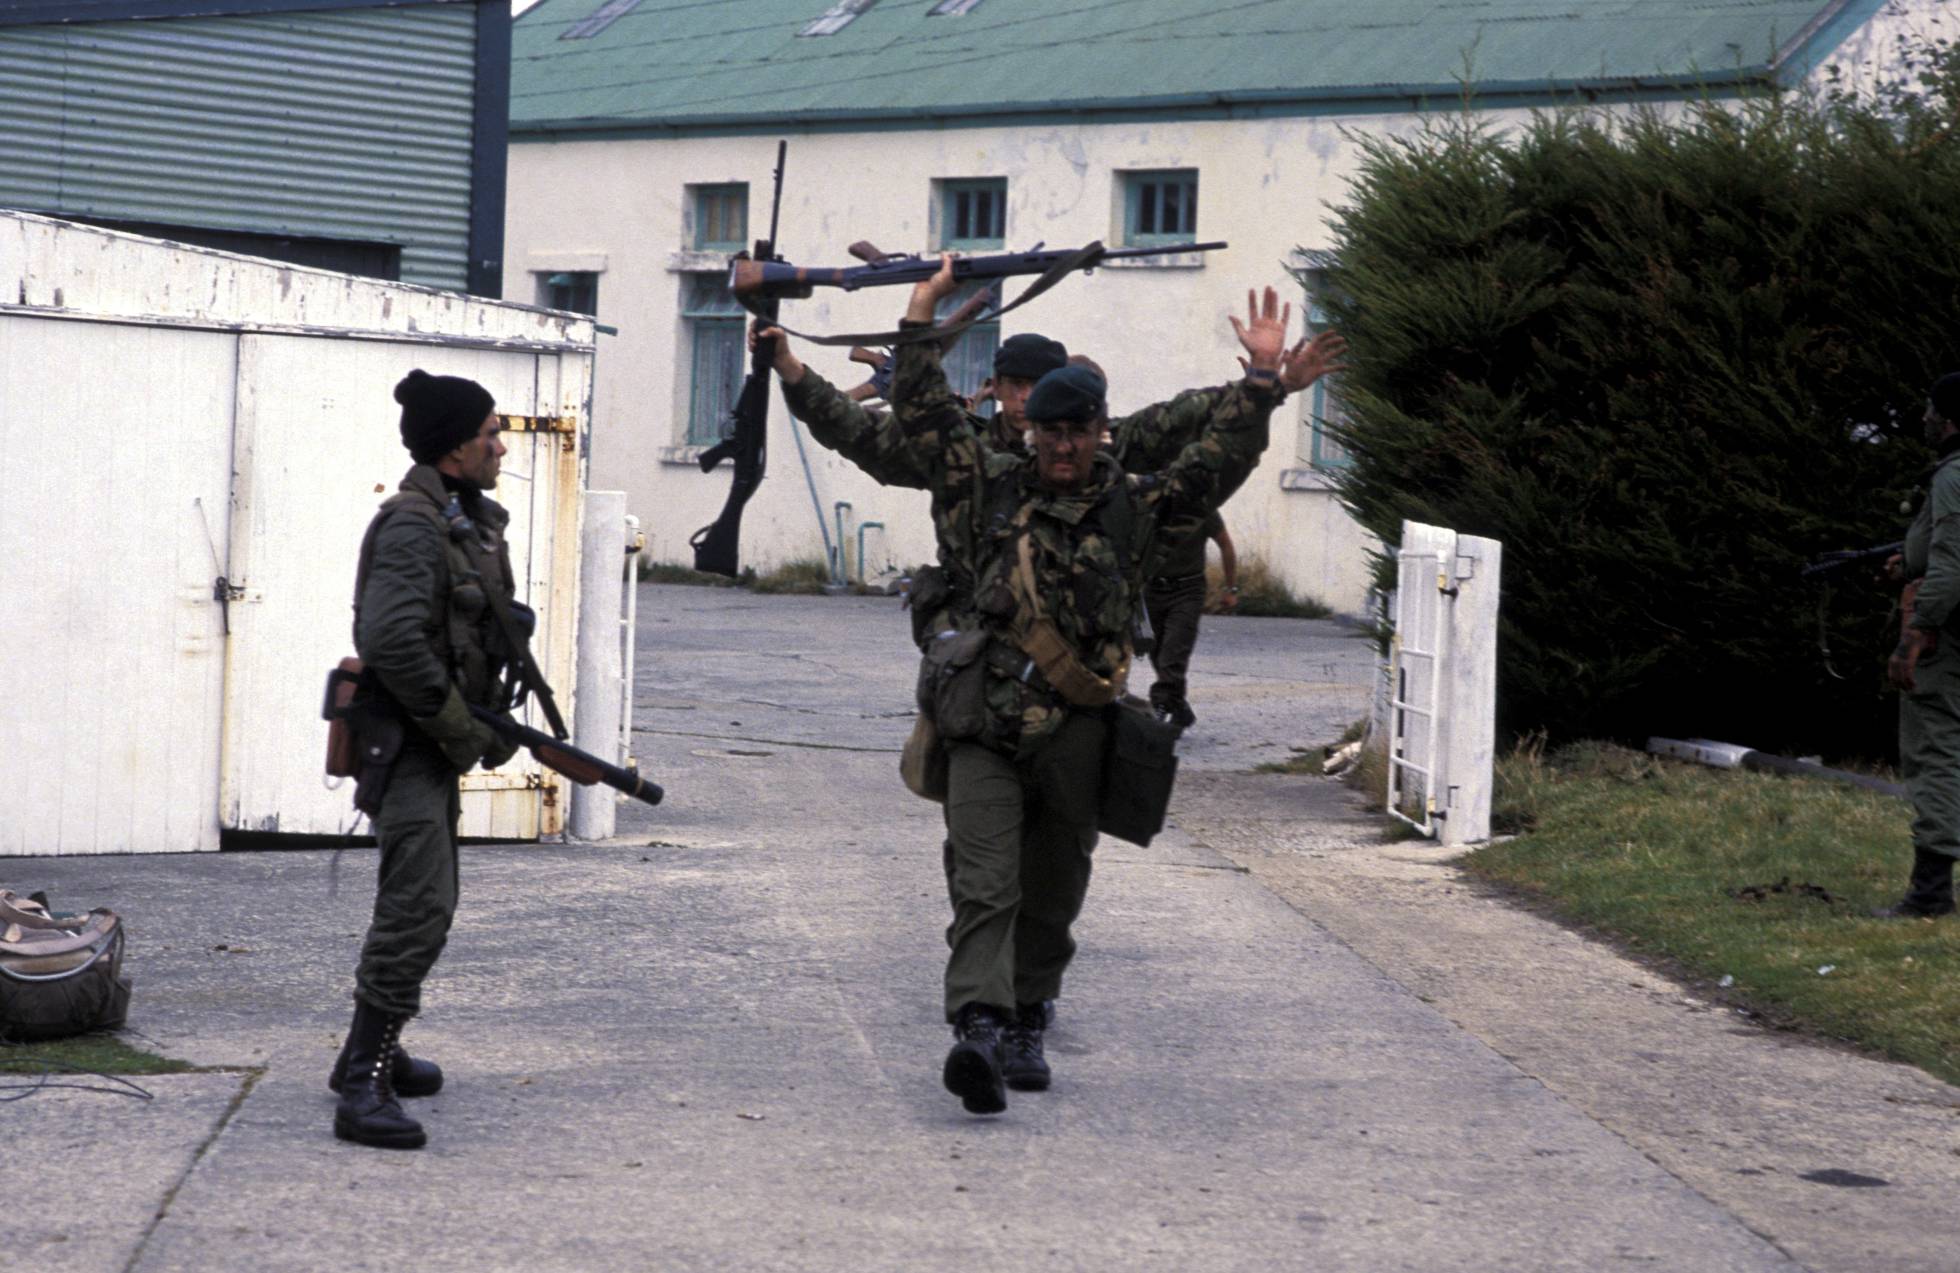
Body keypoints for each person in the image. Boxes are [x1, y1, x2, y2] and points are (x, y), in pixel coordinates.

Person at [851, 258, 1315, 1115]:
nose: (1062, 447)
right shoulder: (983, 492)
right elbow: (922, 411)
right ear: (1030, 432)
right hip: (986, 724)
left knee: (1055, 887)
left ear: (1101, 428)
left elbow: (1217, 463)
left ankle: (1028, 1014)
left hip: (1080, 730)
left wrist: (1259, 381)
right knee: (987, 880)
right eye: (1049, 432)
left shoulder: (1136, 505)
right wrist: (920, 314)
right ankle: (980, 1029)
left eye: (1078, 431)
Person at [329, 370, 520, 1149]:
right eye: (490, 433)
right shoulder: (413, 524)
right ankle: (364, 1082)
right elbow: (393, 643)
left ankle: (368, 1050)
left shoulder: (462, 520)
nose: (501, 445)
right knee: (420, 905)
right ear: (454, 447)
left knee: (420, 898)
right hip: (409, 743)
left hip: (430, 742)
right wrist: (462, 733)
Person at [1878, 373, 1960, 919]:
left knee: (1936, 754)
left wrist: (1916, 633)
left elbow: (1954, 564)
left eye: (1931, 409)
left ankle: (1929, 894)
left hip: (1949, 638)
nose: (1925, 418)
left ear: (1950, 418)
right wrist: (1909, 559)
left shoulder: (1953, 477)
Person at [1145, 512, 1237, 729]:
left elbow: (1225, 544)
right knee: (1156, 651)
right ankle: (1179, 707)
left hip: (1188, 590)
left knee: (1174, 651)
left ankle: (1160, 706)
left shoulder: (1203, 509)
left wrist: (1231, 588)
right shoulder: (1148, 505)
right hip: (1151, 588)